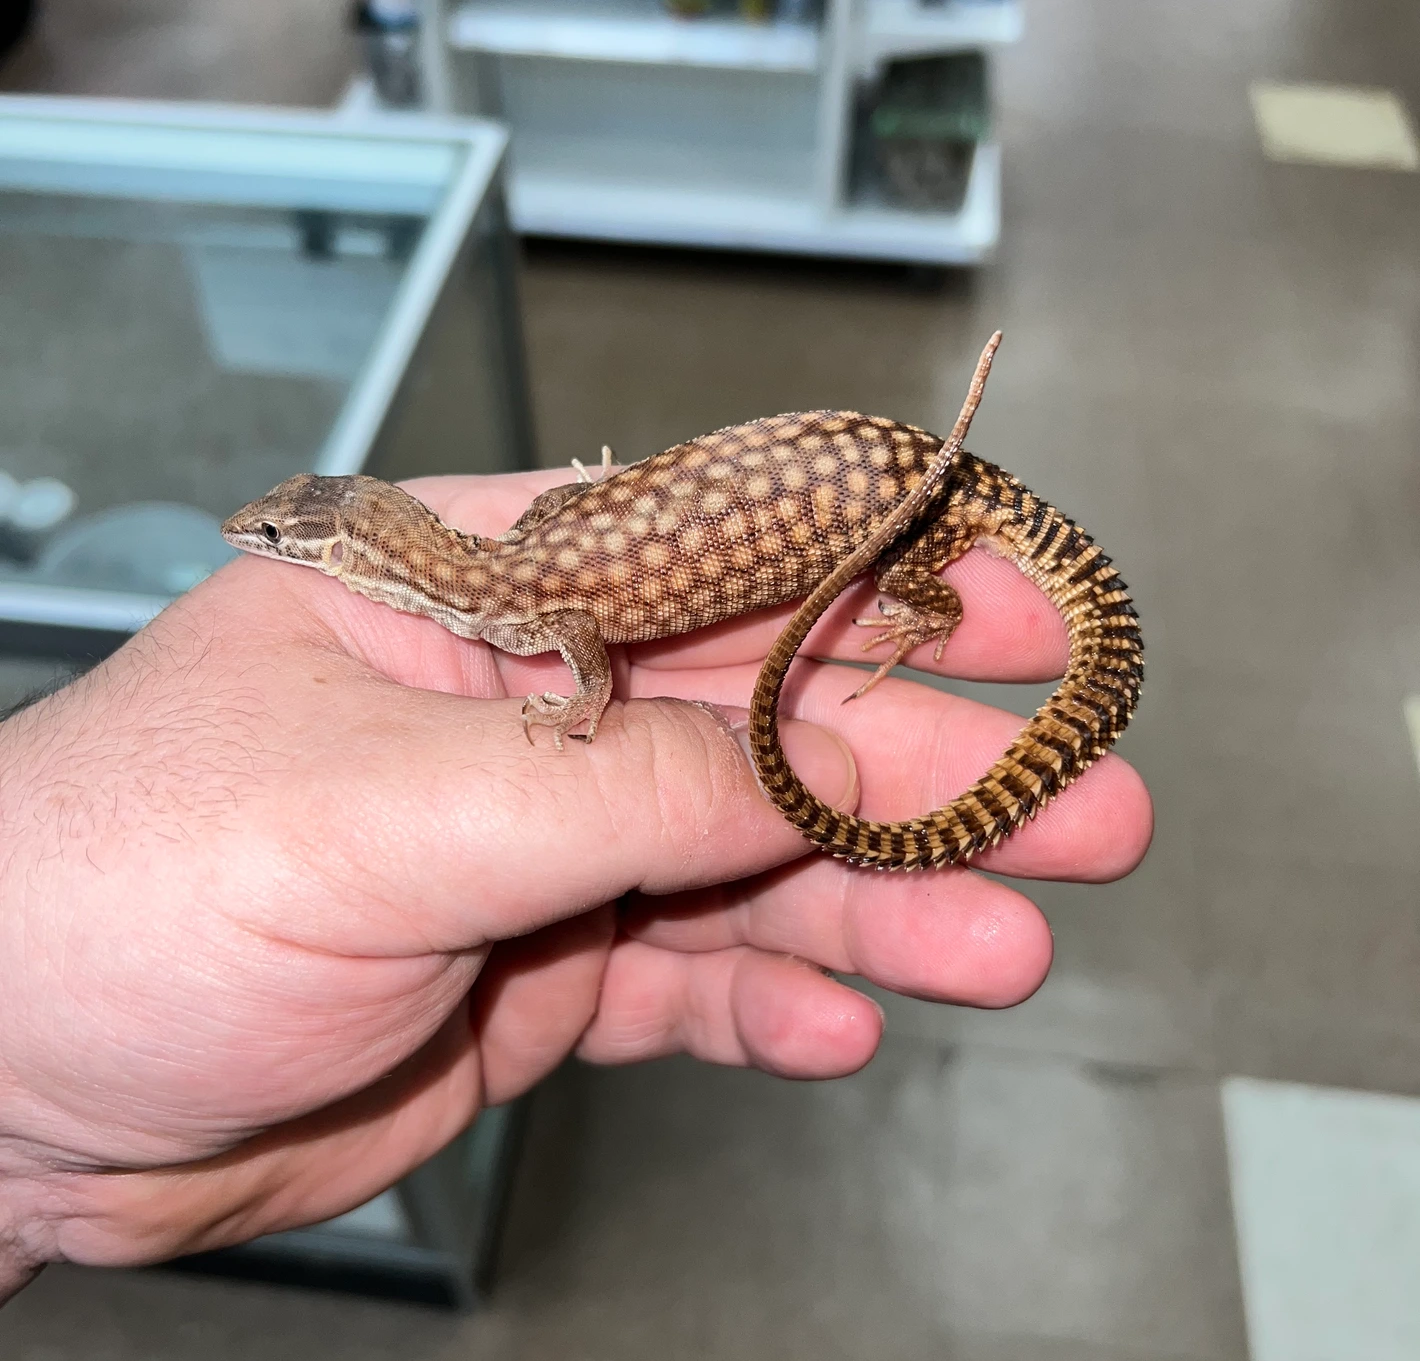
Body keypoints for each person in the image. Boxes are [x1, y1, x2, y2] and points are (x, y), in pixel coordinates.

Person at [0, 468, 1152, 1305]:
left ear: (356, 549)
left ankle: (930, 596)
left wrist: (590, 711)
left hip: (909, 495)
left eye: (291, 540)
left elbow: (585, 654)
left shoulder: (509, 598)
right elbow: (562, 553)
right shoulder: (496, 581)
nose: (262, 540)